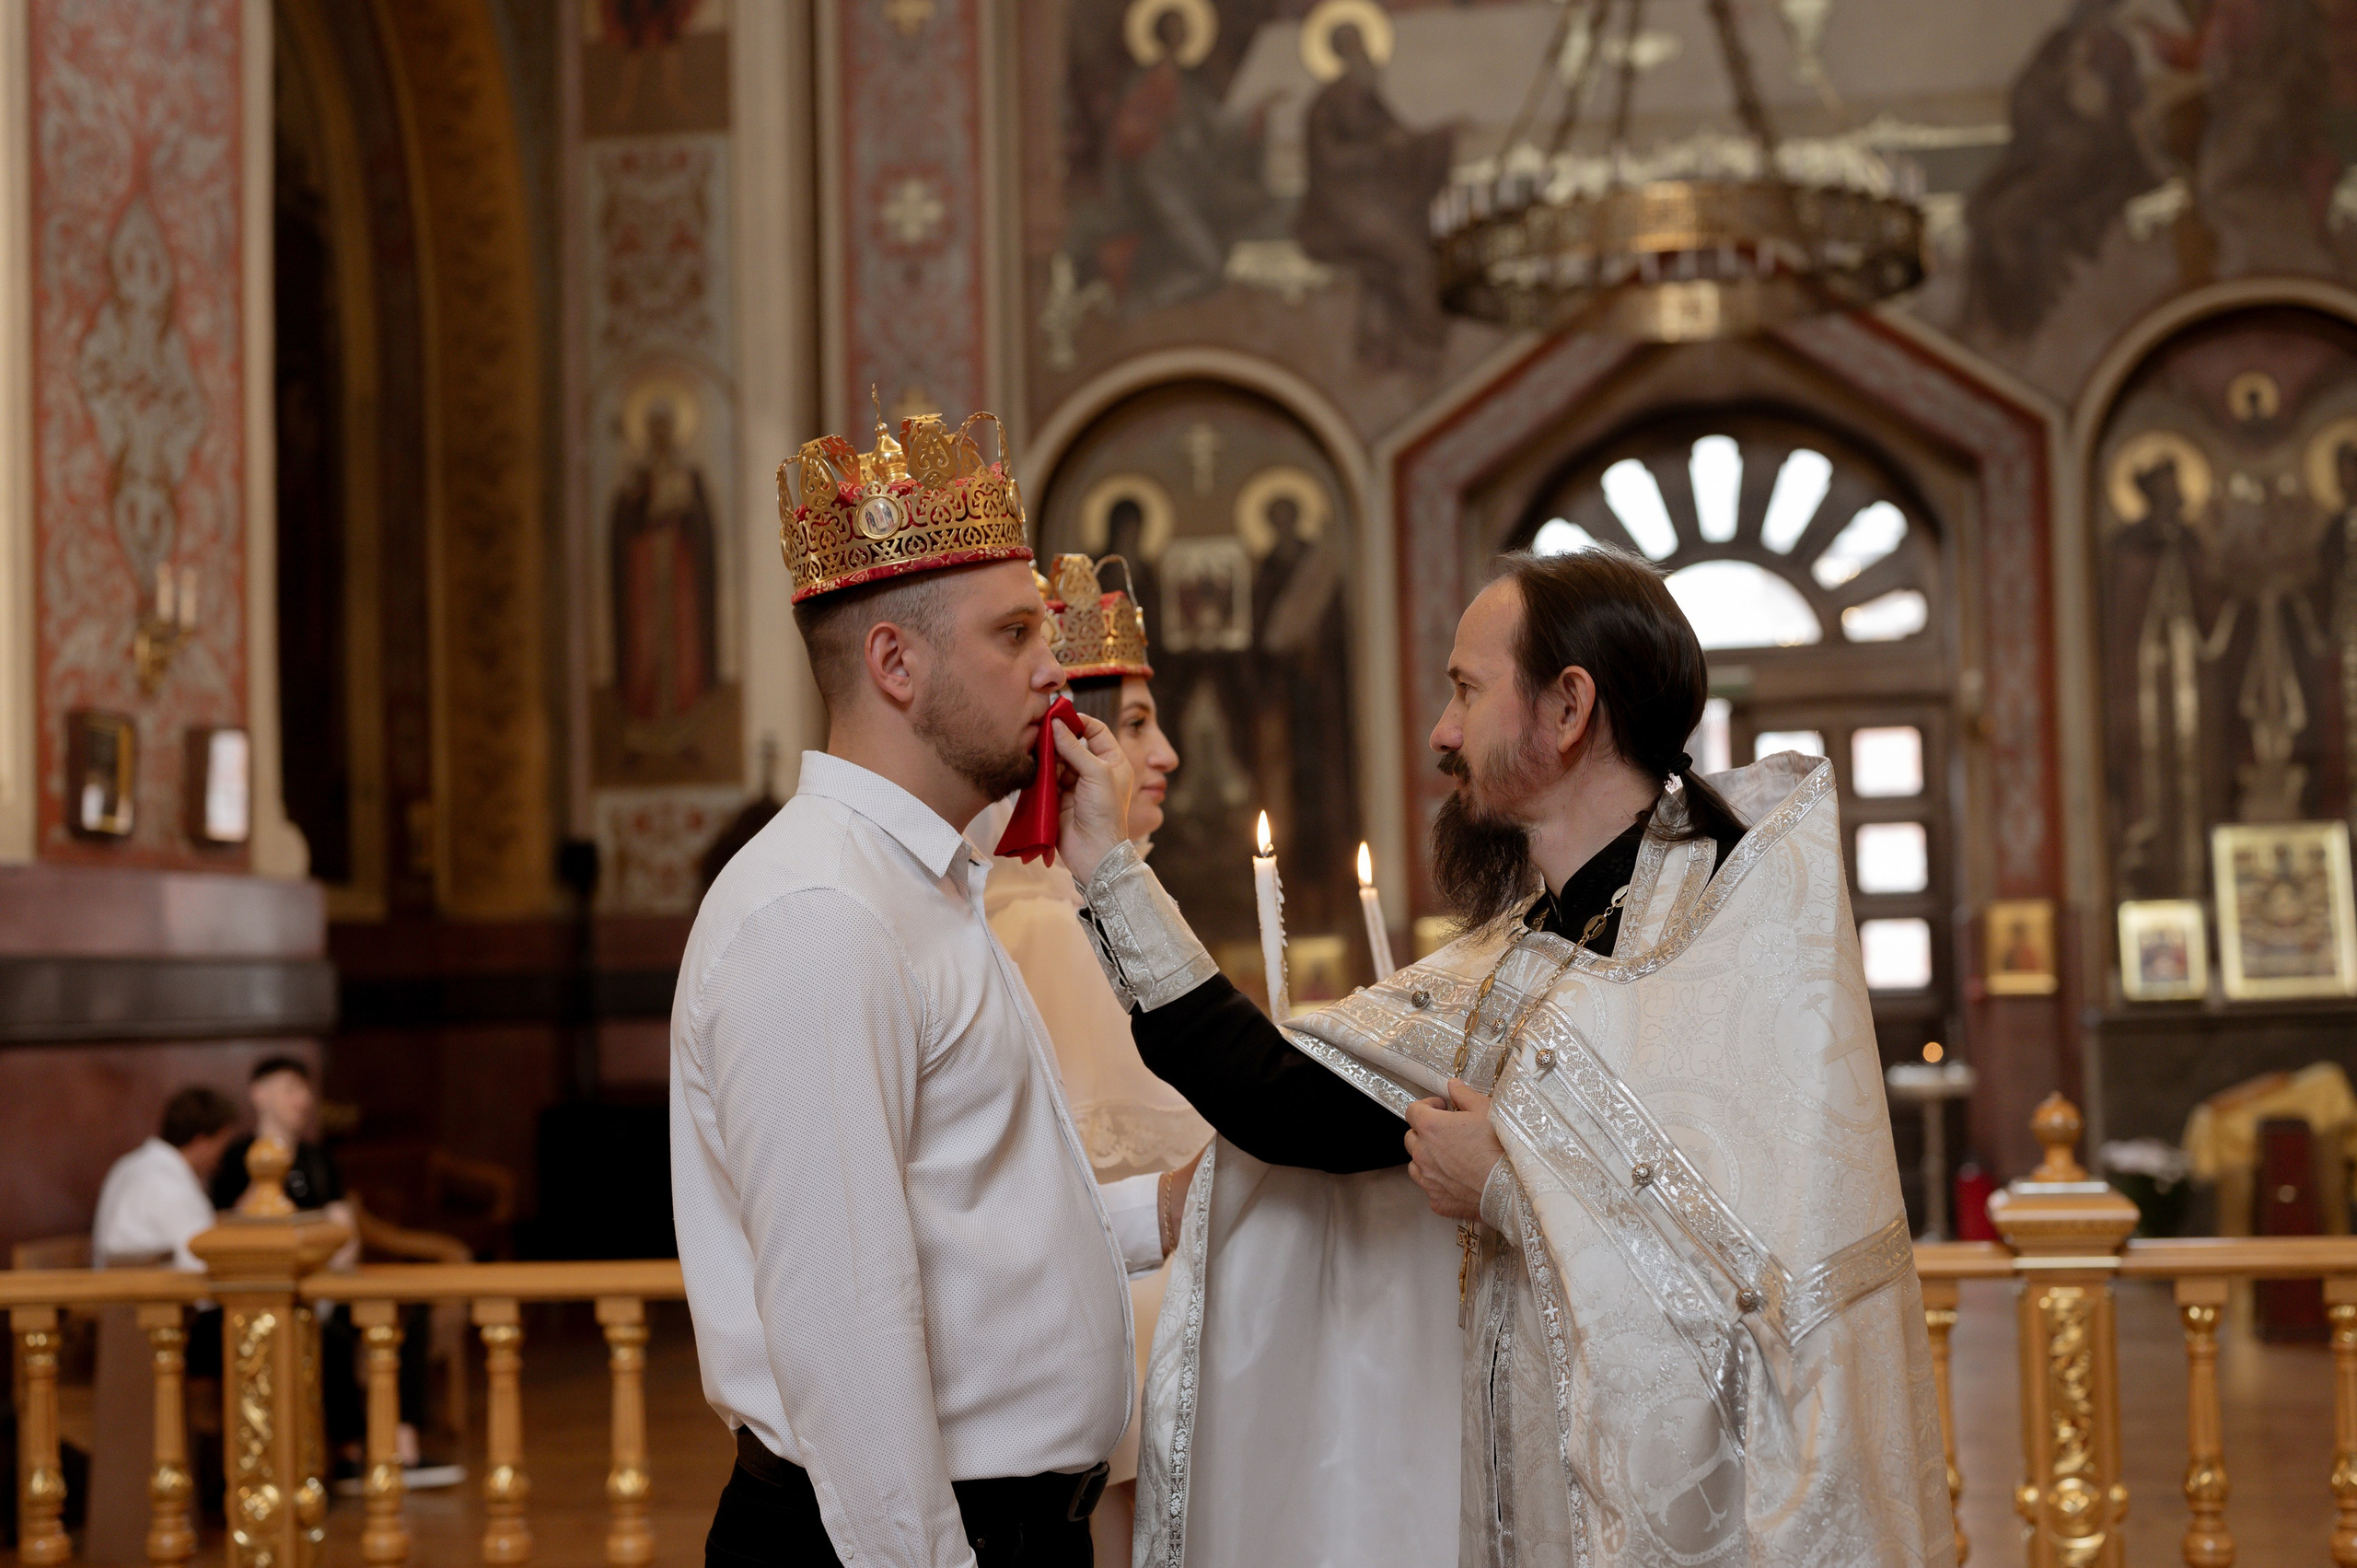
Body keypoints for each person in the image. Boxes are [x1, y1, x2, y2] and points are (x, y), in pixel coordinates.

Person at [1055, 546, 1951, 1566]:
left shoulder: (1731, 942)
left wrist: (1509, 1188)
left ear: (1567, 709)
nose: (1442, 732)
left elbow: (1776, 1295)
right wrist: (1105, 867)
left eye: (1466, 690)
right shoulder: (1524, 951)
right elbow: (1286, 1104)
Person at [676, 412, 1183, 1567]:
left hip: (1010, 1521)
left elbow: (959, 1220)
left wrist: (1159, 1211)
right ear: (894, 664)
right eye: (1014, 633)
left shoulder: (929, 884)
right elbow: (846, 1336)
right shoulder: (818, 912)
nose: (1055, 670)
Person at [966, 552, 1210, 1562]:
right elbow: (1155, 1165)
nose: (1167, 754)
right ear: (1071, 740)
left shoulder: (1095, 902)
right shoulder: (1041, 922)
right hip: (1123, 1333)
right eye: (1137, 722)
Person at [93, 1086, 237, 1270]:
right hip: (153, 1295)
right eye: (222, 1145)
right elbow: (201, 1265)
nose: (220, 1159)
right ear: (203, 1144)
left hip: (109, 1292)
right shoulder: (171, 1185)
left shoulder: (126, 1165)